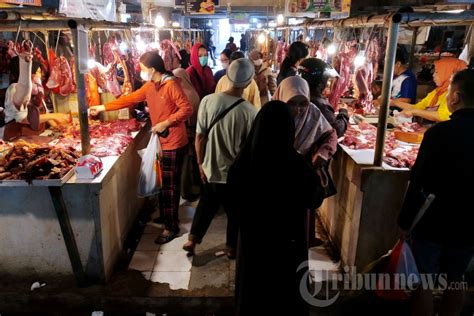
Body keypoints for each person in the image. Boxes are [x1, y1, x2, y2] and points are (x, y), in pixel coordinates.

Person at [228, 100, 324, 316]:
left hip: (253, 244)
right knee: (285, 298)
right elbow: (314, 198)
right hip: (287, 245)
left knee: (254, 296)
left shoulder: (243, 162)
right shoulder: (296, 164)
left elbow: (233, 203)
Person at [90, 51, 193, 244]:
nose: (141, 72)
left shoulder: (170, 85)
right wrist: (103, 108)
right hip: (161, 142)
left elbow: (187, 108)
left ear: (153, 69)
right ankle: (166, 216)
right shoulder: (151, 86)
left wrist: (166, 122)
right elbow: (129, 99)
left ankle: (171, 227)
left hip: (174, 142)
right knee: (164, 183)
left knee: (170, 186)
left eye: (144, 69)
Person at [398, 69, 474, 316]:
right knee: (457, 277)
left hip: (435, 219)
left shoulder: (439, 134)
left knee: (425, 281)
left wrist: (404, 221)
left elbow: (418, 180)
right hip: (468, 223)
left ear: (456, 97)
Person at [182, 58, 257, 258]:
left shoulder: (208, 101)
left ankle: (192, 240)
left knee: (206, 204)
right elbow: (249, 149)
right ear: (249, 83)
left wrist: (200, 163)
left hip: (210, 168)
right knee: (235, 212)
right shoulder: (250, 112)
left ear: (227, 77)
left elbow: (199, 137)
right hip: (234, 174)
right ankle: (231, 248)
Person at [3, 53, 70, 140]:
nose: (41, 75)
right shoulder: (14, 88)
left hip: (33, 137)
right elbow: (22, 119)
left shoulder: (37, 91)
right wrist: (55, 116)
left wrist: (62, 129)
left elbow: (44, 116)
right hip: (17, 137)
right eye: (38, 72)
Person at [393, 57, 467, 122]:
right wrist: (392, 102)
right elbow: (419, 106)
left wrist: (414, 111)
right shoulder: (437, 92)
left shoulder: (453, 93)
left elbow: (443, 116)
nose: (433, 75)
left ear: (449, 73)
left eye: (437, 72)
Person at [298, 58, 349, 137]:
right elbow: (336, 130)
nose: (327, 84)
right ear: (320, 81)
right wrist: (343, 112)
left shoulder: (297, 95)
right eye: (326, 80)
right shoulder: (319, 104)